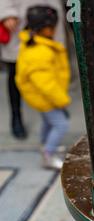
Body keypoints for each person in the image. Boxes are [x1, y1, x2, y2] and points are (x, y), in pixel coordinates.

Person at [0, 0, 65, 140]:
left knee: (52, 69)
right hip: (20, 22)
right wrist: (6, 13)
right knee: (17, 75)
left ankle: (54, 106)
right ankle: (16, 116)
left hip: (49, 18)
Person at [15, 6, 71, 170]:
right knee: (61, 125)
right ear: (44, 29)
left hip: (42, 96)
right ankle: (48, 154)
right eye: (52, 27)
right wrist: (62, 100)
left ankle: (45, 144)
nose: (54, 30)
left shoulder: (37, 44)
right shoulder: (39, 53)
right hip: (46, 97)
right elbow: (46, 84)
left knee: (48, 122)